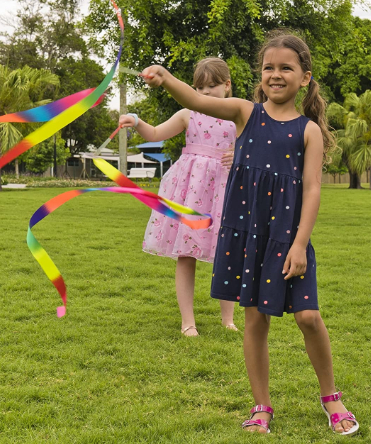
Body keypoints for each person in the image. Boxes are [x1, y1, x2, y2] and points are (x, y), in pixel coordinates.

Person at [140, 33, 359, 435]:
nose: (276, 75)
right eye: (269, 68)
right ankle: (262, 406)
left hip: (287, 238)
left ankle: (332, 398)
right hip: (246, 234)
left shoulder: (308, 131)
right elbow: (197, 101)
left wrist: (298, 244)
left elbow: (312, 189)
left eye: (286, 68)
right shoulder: (244, 113)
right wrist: (167, 79)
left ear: (305, 78)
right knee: (255, 320)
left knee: (309, 317)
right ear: (260, 76)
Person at [119, 58, 238, 337]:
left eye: (212, 86)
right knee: (186, 254)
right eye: (199, 88)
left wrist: (241, 154)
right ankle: (188, 322)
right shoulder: (189, 114)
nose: (205, 93)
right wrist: (136, 121)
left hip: (225, 191)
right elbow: (157, 133)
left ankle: (228, 319)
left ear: (227, 85)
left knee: (228, 253)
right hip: (192, 192)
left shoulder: (238, 114)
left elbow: (254, 147)